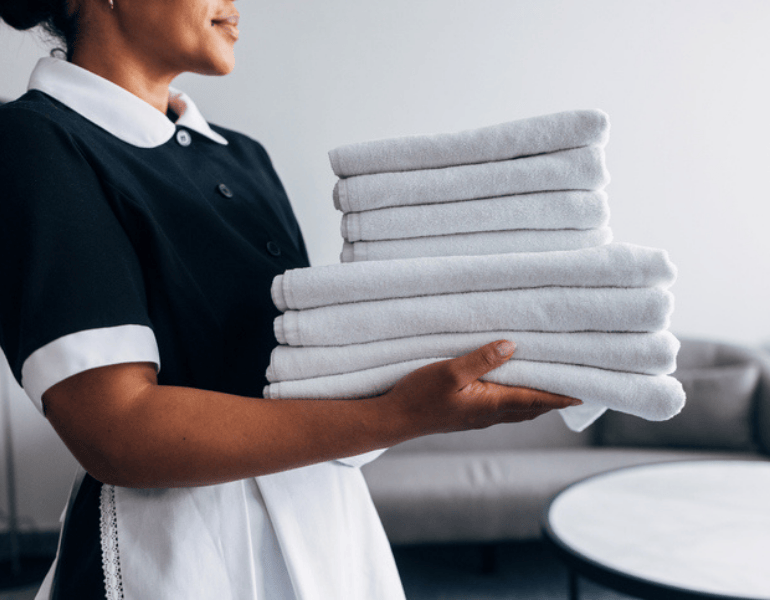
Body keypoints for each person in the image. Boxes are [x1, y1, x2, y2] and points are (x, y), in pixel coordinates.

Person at [0, 0, 582, 598]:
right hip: (181, 558)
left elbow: (297, 375)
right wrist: (399, 416)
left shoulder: (241, 156)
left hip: (329, 528)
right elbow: (116, 429)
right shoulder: (35, 142)